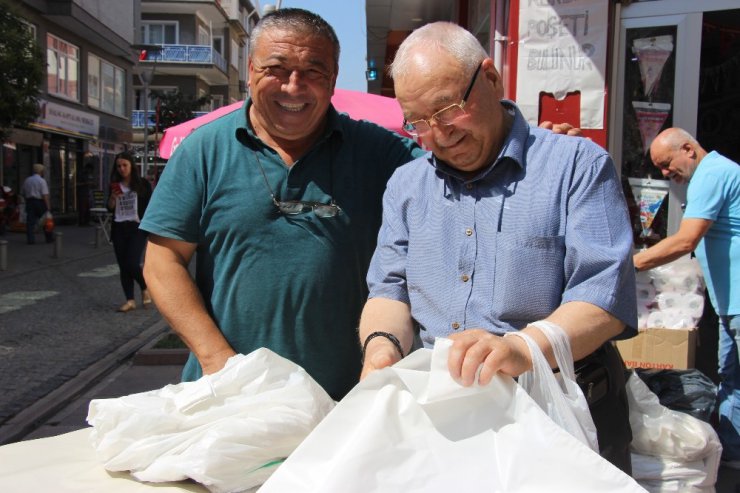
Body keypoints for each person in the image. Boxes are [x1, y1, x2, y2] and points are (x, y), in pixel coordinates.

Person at [140, 9, 582, 402]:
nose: (295, 86)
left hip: (347, 396)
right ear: (251, 70)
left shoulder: (382, 152)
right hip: (228, 391)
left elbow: (461, 157)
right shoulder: (203, 150)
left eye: (314, 71)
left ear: (334, 78)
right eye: (277, 68)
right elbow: (162, 264)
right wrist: (219, 360)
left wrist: (529, 145)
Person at [358, 22, 637, 473]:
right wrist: (382, 351)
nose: (439, 134)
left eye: (447, 109)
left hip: (561, 415)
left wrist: (523, 349)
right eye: (419, 123)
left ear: (490, 78)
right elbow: (389, 290)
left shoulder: (577, 166)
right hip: (445, 419)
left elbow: (603, 297)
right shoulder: (406, 186)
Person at [633, 127, 740, 467]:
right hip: (729, 303)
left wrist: (630, 264)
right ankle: (729, 458)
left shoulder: (713, 174)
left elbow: (685, 241)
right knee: (731, 382)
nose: (666, 174)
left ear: (688, 149)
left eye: (667, 164)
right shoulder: (710, 176)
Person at [107, 151, 152, 313]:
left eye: (124, 165)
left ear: (131, 165)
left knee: (132, 262)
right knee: (123, 266)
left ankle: (145, 286)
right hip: (119, 227)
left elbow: (150, 206)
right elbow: (110, 208)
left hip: (137, 228)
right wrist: (112, 198)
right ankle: (130, 300)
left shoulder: (142, 185)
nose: (121, 169)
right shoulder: (115, 185)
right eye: (118, 166)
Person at [21, 163, 51, 245]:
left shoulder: (27, 180)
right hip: (39, 202)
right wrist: (48, 206)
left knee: (30, 222)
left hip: (30, 202)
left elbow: (23, 192)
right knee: (45, 220)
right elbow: (45, 195)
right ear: (41, 171)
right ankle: (49, 238)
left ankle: (30, 239)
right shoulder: (42, 181)